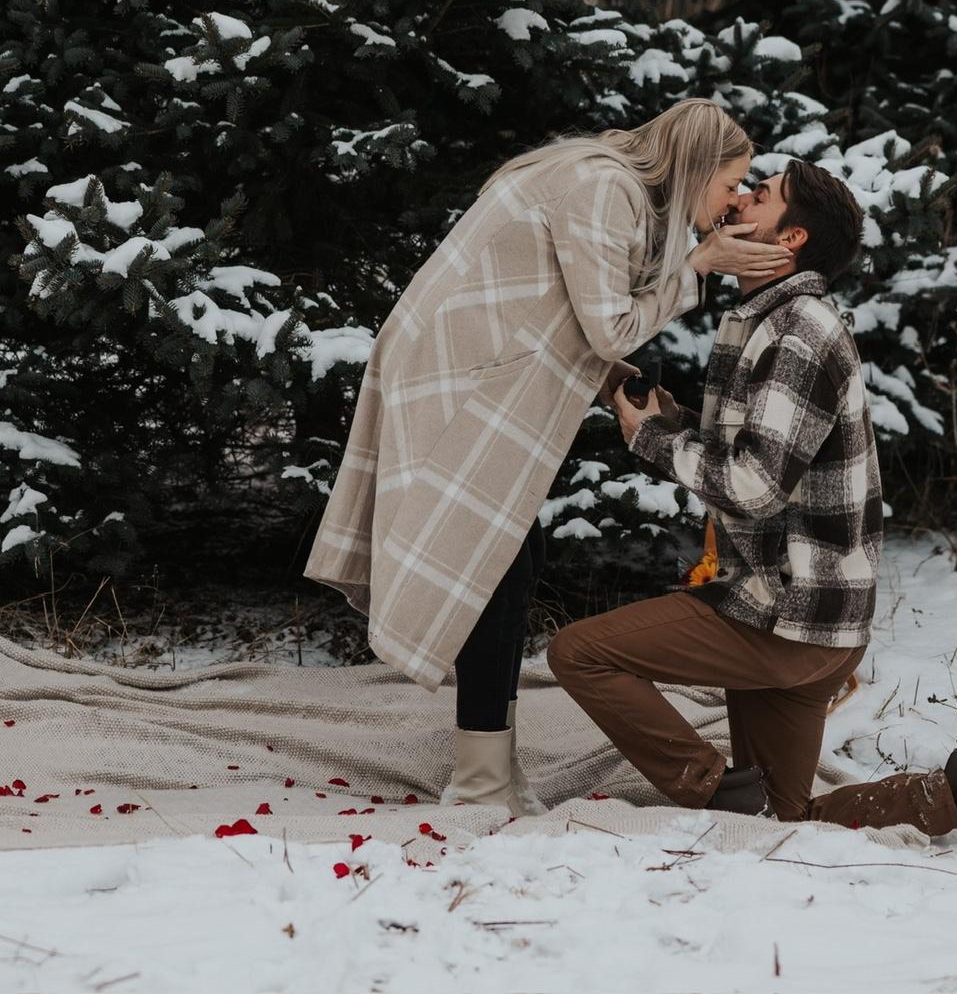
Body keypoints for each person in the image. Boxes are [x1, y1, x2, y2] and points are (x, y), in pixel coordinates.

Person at [304, 99, 795, 814]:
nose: (729, 206)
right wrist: (700, 267)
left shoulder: (603, 179)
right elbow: (610, 324)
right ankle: (478, 780)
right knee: (493, 563)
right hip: (458, 374)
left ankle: (490, 769)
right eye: (728, 187)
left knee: (513, 556)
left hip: (478, 363)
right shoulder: (605, 186)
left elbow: (552, 303)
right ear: (693, 170)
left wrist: (608, 379)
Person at [547, 158, 957, 862]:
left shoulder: (797, 332)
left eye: (763, 194)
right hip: (819, 625)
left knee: (580, 653)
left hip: (785, 616)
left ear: (790, 240)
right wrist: (660, 415)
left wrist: (650, 441)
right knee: (785, 817)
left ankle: (710, 789)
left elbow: (752, 484)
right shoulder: (767, 320)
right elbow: (754, 452)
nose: (741, 197)